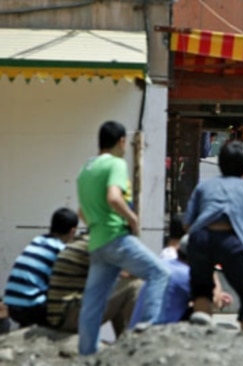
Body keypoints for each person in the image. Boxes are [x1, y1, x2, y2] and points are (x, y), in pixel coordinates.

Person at [76, 120, 170, 355]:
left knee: (94, 302)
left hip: (97, 243)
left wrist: (96, 226)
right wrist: (132, 219)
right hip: (116, 238)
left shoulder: (86, 170)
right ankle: (145, 334)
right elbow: (114, 197)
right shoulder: (116, 164)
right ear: (120, 142)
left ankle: (86, 353)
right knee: (159, 273)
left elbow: (81, 212)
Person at [184, 141, 243, 336]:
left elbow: (188, 223)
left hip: (200, 238)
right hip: (230, 241)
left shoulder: (204, 187)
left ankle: (200, 333)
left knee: (202, 288)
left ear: (220, 163)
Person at [46, 236, 142, 337]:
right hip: (70, 316)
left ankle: (123, 337)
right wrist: (135, 232)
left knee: (119, 289)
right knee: (134, 285)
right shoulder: (95, 246)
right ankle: (134, 338)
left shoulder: (80, 242)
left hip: (62, 315)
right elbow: (136, 271)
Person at [3, 208, 78, 327]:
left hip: (11, 305)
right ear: (73, 231)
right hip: (31, 307)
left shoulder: (37, 240)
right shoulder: (61, 250)